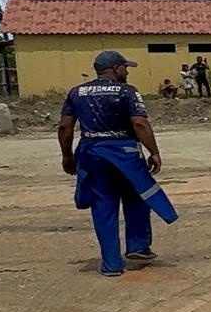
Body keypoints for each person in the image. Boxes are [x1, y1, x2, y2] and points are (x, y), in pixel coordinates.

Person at [57, 50, 177, 276]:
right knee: (137, 198)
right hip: (126, 154)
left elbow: (65, 126)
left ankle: (111, 264)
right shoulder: (127, 92)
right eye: (125, 68)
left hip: (93, 155)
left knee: (103, 206)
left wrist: (67, 155)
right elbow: (139, 123)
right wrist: (154, 151)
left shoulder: (76, 92)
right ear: (115, 68)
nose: (127, 72)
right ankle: (138, 247)